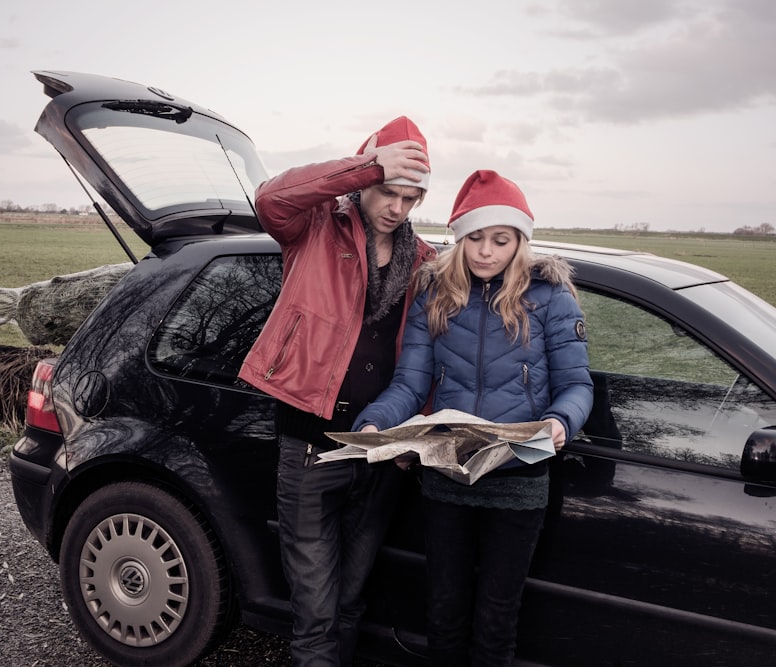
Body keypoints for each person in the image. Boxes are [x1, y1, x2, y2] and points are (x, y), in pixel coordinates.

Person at [352, 170, 594, 666]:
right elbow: (411, 384)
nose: (486, 252)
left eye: (500, 240)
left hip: (520, 476)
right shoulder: (434, 295)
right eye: (475, 239)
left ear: (520, 241)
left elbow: (576, 385)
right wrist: (376, 425)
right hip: (446, 479)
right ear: (459, 240)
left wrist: (560, 422)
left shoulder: (551, 298)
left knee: (497, 619)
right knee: (443, 613)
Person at [238, 116, 438, 666]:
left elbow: (424, 359)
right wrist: (367, 163)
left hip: (378, 453)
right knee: (316, 613)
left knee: (350, 603)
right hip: (310, 447)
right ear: (363, 181)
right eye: (387, 191)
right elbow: (271, 197)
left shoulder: (421, 262)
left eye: (410, 197)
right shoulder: (316, 228)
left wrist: (404, 443)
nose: (397, 208)